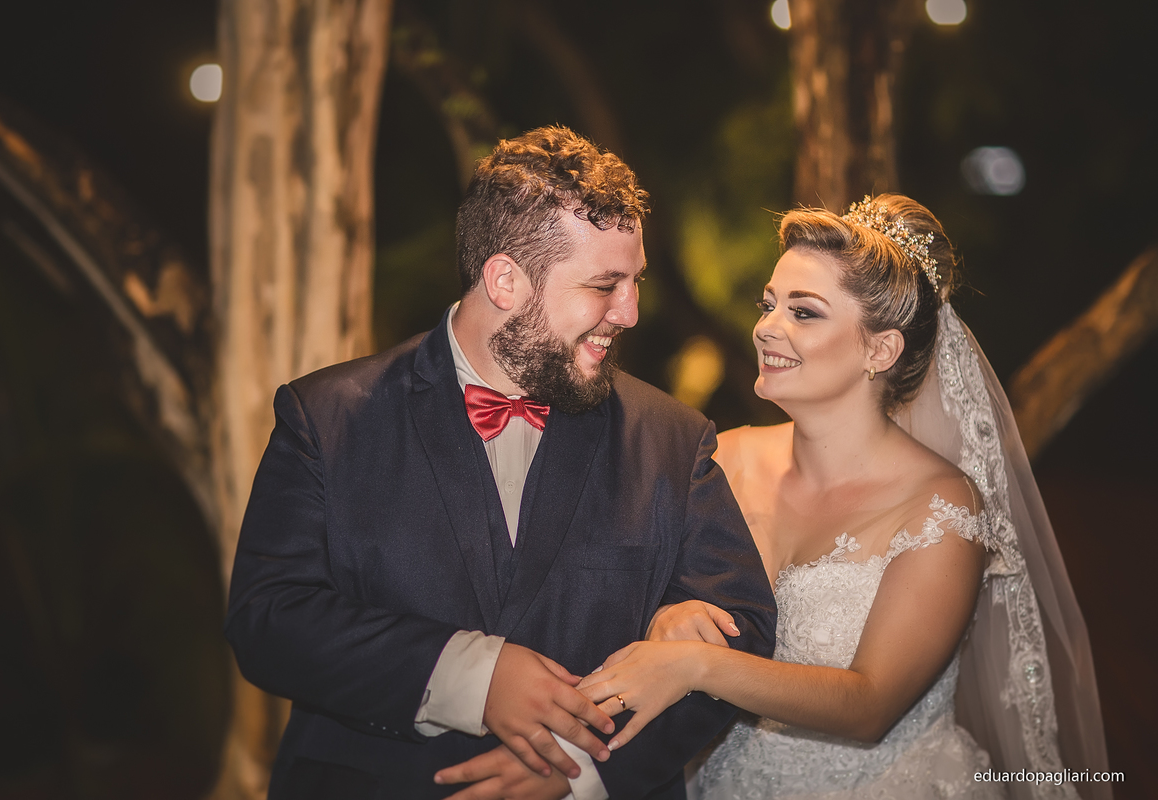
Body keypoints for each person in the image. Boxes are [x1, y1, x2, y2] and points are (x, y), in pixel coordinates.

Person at [224, 125, 777, 800]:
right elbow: (269, 620)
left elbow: (743, 632)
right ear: (505, 280)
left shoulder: (672, 439)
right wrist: (474, 676)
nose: (630, 312)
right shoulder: (327, 417)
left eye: (635, 282)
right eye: (605, 285)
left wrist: (587, 769)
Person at [578, 194, 1110, 799]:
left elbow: (870, 705)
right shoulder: (722, 458)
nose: (766, 327)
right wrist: (664, 615)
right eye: (769, 304)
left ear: (879, 350)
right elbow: (630, 593)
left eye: (803, 312)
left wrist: (699, 665)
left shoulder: (941, 510)